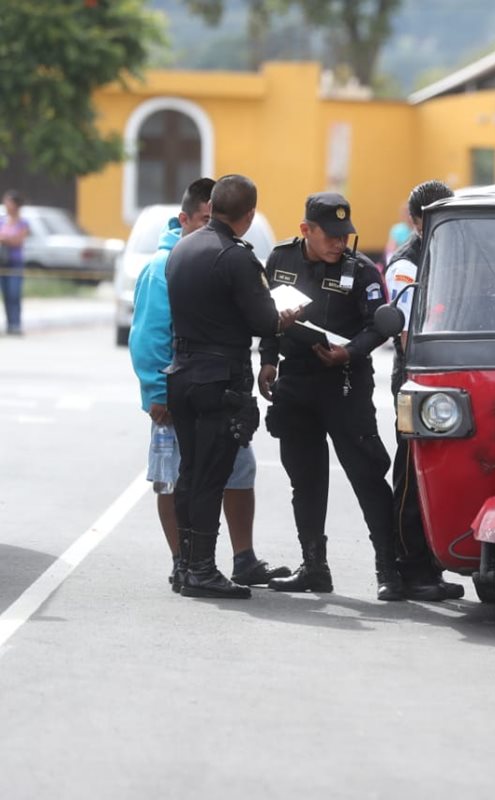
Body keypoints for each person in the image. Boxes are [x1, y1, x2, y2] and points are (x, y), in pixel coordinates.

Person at [261, 192, 458, 602]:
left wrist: (349, 352)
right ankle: (314, 566)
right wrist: (267, 360)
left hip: (345, 383)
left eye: (343, 235)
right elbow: (266, 319)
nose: (338, 243)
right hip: (296, 381)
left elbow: (380, 325)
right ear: (306, 231)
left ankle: (389, 570)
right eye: (329, 235)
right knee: (305, 479)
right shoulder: (281, 260)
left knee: (367, 475)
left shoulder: (362, 270)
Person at [129, 177, 290, 592]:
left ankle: (188, 566)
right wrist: (282, 318)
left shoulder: (181, 250)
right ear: (248, 215)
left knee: (193, 475)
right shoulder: (234, 256)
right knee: (209, 477)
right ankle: (199, 568)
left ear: (213, 207)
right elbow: (262, 321)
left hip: (184, 376)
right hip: (217, 379)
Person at [382, 180, 464, 601]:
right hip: (418, 379)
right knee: (413, 474)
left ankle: (433, 561)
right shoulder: (405, 265)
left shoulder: (453, 254)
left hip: (452, 380)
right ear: (415, 221)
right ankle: (410, 566)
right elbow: (407, 334)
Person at [1, 190, 31, 336]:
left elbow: (18, 240)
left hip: (15, 263)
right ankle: (8, 324)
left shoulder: (23, 222)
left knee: (14, 293)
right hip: (2, 263)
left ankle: (15, 324)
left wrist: (5, 238)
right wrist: (8, 238)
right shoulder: (2, 220)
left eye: (9, 202)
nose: (6, 205)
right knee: (5, 295)